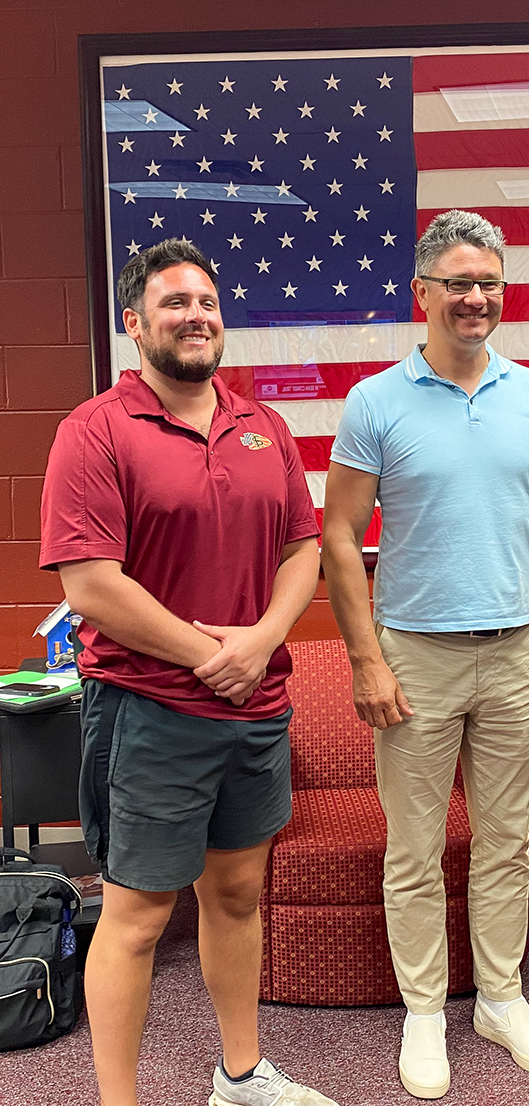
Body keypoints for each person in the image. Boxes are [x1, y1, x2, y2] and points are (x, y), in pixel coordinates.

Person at [39, 239, 333, 1106]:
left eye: (206, 301)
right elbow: (90, 584)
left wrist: (263, 639)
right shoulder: (93, 432)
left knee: (238, 895)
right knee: (136, 918)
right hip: (149, 711)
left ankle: (240, 1075)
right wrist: (215, 655)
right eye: (175, 303)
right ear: (134, 323)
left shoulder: (261, 425)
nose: (197, 316)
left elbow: (302, 546)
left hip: (255, 711)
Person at [321, 210, 529, 1100]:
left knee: (508, 840)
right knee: (416, 847)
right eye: (460, 284)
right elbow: (341, 534)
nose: (477, 299)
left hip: (517, 649)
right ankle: (427, 1011)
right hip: (415, 657)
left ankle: (502, 999)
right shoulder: (376, 400)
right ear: (423, 294)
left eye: (491, 284)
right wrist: (366, 660)